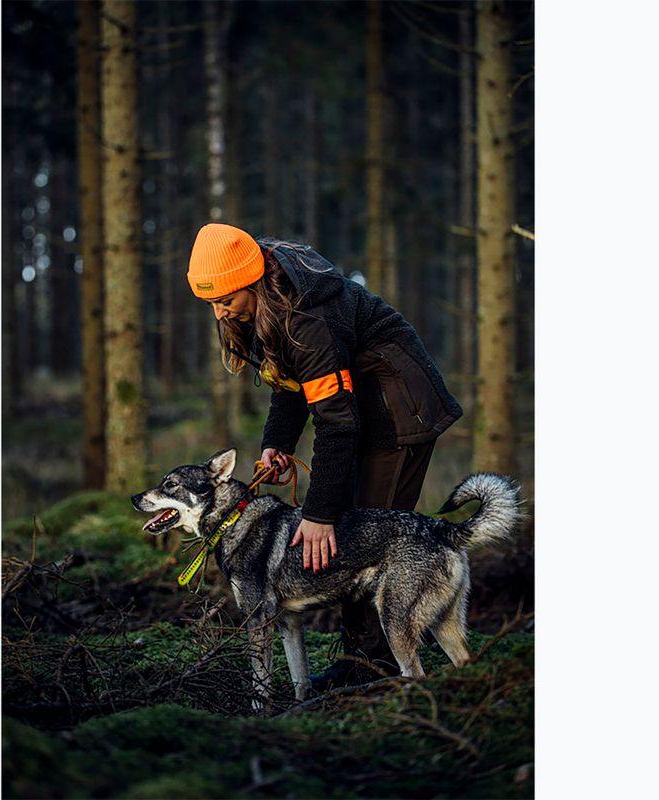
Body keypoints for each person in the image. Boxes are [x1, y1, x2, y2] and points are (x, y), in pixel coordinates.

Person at [186, 222, 463, 689]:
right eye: (210, 303)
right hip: (360, 410)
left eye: (226, 301)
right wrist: (278, 442)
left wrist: (318, 514)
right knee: (351, 529)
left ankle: (372, 675)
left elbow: (337, 422)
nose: (219, 314)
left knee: (366, 537)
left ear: (251, 282)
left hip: (399, 412)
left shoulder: (308, 318)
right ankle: (361, 665)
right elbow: (290, 384)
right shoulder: (269, 296)